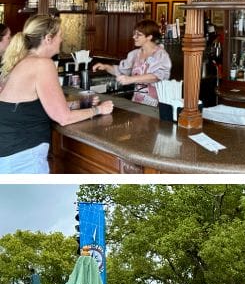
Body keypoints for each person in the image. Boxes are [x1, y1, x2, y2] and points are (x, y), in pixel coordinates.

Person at [0, 14, 114, 173]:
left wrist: (81, 104)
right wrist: (99, 110)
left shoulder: (21, 60)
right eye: (60, 35)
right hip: (24, 157)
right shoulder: (42, 64)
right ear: (48, 38)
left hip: (10, 153)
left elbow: (37, 106)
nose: (62, 40)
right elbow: (63, 118)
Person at [91, 19, 171, 106]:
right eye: (134, 34)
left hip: (155, 104)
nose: (134, 37)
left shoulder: (160, 54)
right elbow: (121, 70)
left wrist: (131, 79)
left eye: (138, 35)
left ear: (149, 37)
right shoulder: (135, 54)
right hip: (137, 101)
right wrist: (106, 67)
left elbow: (157, 76)